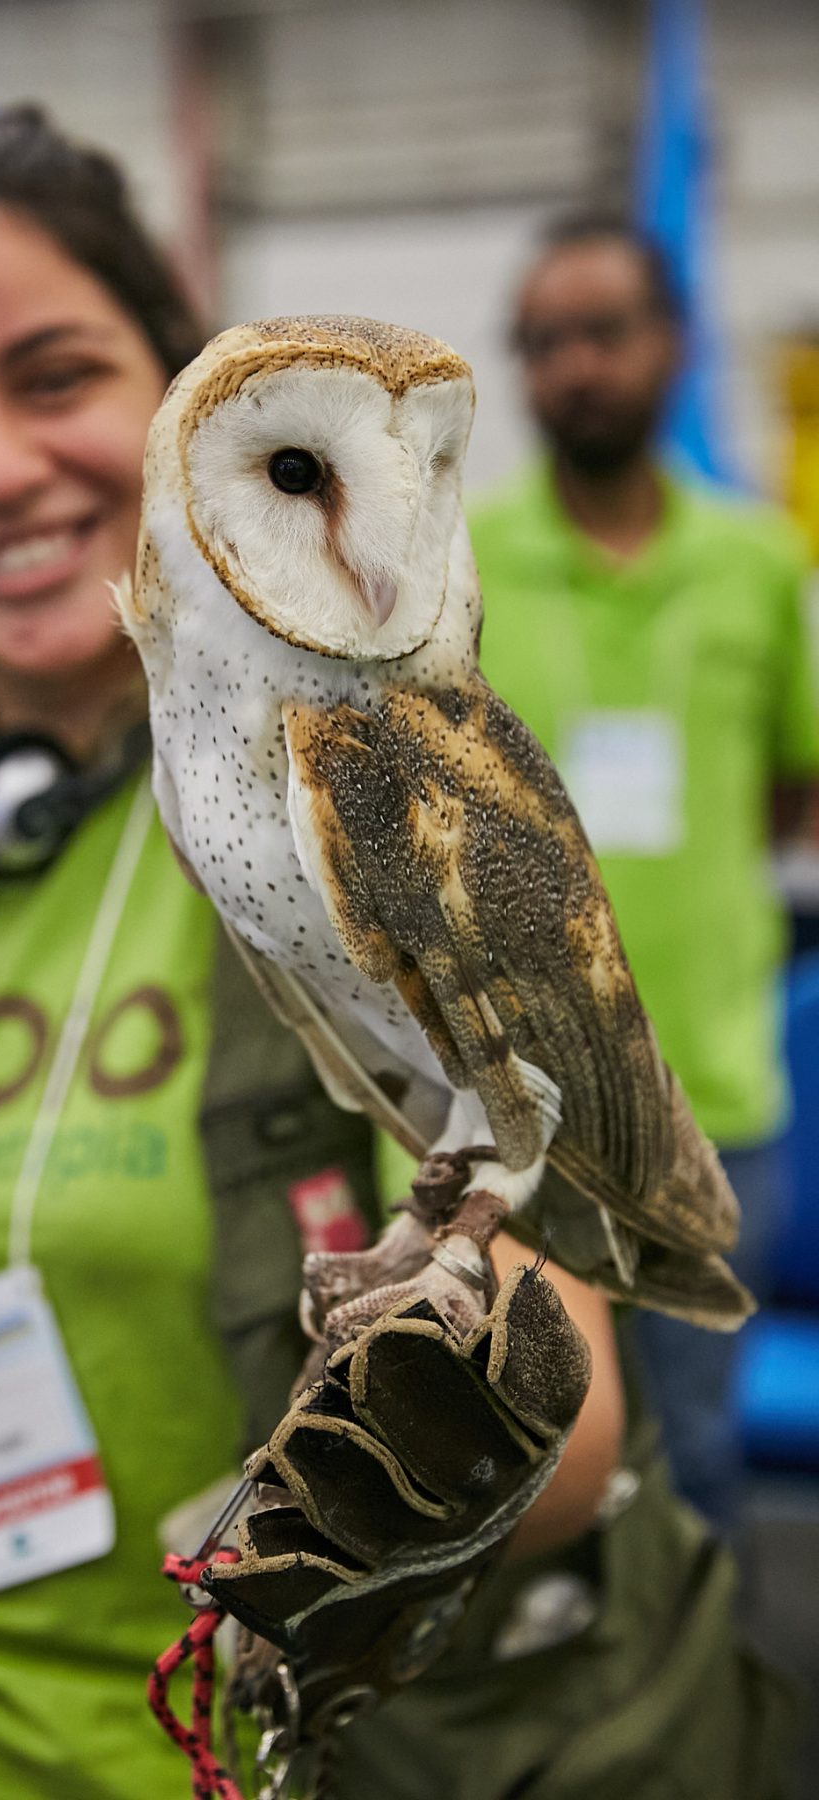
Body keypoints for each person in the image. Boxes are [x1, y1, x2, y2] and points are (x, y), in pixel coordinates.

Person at [0, 118, 792, 1800]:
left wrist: (452, 1393)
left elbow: (570, 1401)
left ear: (165, 398)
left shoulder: (355, 777)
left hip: (223, 1756)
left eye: (54, 376)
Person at [470, 213, 819, 1535]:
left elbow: (791, 789)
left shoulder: (760, 561)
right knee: (525, 1480)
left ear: (670, 346)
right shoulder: (463, 562)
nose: (576, 367)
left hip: (711, 1103)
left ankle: (699, 1735)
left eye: (604, 332)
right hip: (515, 1108)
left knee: (695, 1474)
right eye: (545, 341)